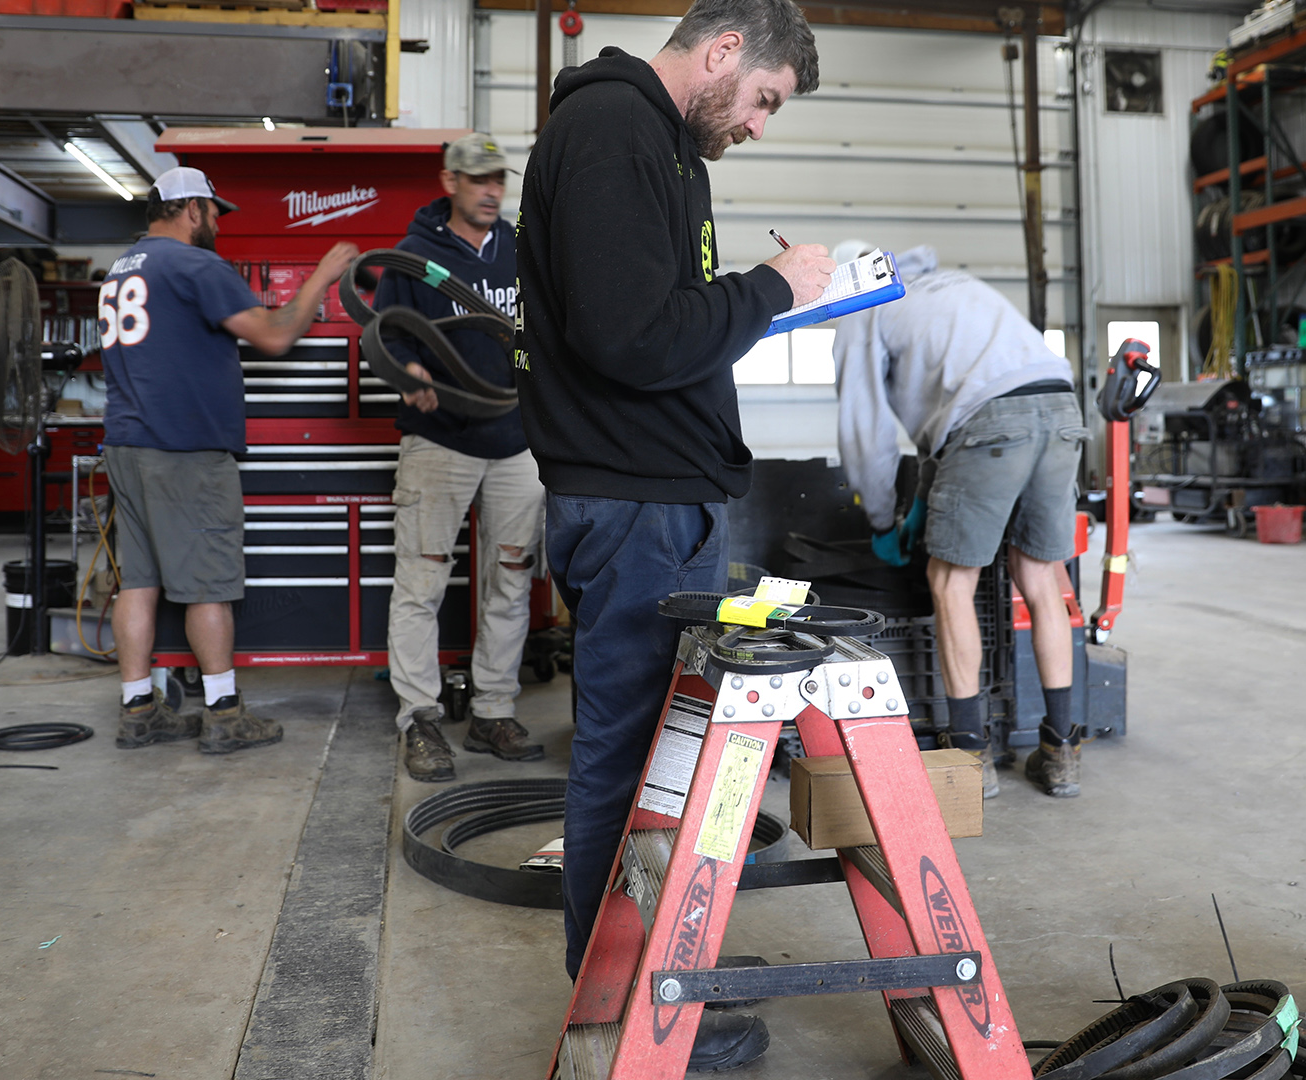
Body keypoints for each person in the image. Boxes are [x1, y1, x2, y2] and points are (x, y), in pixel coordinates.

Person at [514, 0, 829, 1069]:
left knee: (665, 765)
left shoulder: (662, 147)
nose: (759, 124)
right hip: (639, 506)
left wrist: (763, 304)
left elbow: (658, 325)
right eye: (764, 99)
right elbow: (628, 335)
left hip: (665, 496)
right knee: (635, 766)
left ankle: (653, 984)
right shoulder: (611, 130)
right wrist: (770, 289)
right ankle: (631, 1016)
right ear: (726, 49)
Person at [99, 167, 356, 755]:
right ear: (191, 209)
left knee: (137, 582)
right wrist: (323, 274)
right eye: (215, 211)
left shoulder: (122, 269)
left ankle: (139, 709)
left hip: (126, 446)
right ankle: (223, 712)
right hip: (183, 450)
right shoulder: (193, 265)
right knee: (208, 584)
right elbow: (274, 334)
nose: (217, 223)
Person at [832, 243, 1088, 799]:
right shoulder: (950, 286)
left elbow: (864, 432)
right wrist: (924, 497)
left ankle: (970, 754)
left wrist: (881, 520)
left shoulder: (862, 309)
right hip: (1062, 408)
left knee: (951, 583)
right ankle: (1060, 749)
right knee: (1042, 578)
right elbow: (951, 419)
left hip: (991, 426)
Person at [374, 134, 547, 783]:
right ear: (450, 181)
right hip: (438, 440)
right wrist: (407, 368)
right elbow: (383, 334)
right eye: (477, 179)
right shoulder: (415, 257)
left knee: (510, 582)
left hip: (514, 444)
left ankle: (492, 709)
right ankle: (419, 717)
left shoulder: (523, 252)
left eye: (498, 178)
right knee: (420, 583)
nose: (491, 190)